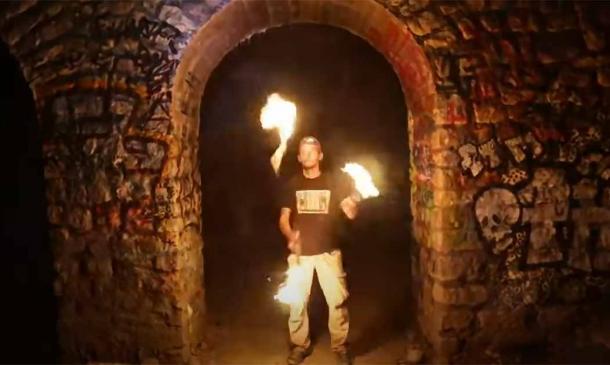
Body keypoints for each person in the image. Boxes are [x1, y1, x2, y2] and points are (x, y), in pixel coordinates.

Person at [278, 136, 360, 365]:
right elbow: (284, 219)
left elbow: (350, 213)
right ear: (298, 157)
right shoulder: (293, 184)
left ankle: (340, 346)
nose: (307, 155)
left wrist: (354, 201)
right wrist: (290, 235)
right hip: (300, 255)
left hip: (328, 252)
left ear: (320, 155)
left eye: (312, 151)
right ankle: (299, 346)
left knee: (337, 301)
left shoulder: (335, 182)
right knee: (297, 303)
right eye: (303, 152)